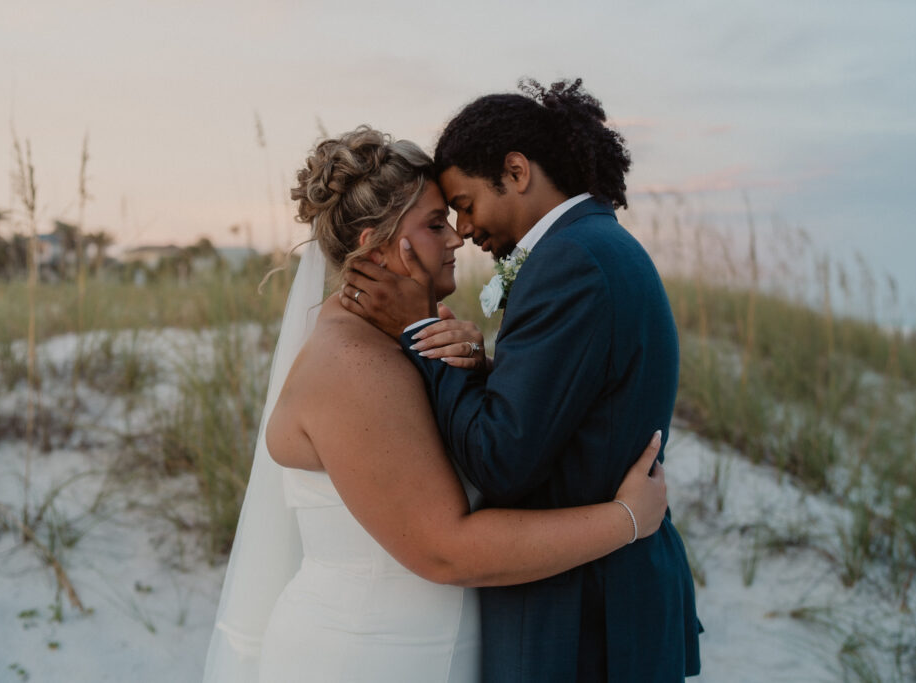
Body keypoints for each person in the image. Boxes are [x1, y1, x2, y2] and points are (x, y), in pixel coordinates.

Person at [202, 126, 670, 683]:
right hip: (369, 657)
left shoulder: (403, 341)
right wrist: (627, 520)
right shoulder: (352, 365)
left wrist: (474, 368)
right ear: (376, 247)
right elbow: (445, 550)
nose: (456, 239)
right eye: (433, 225)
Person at [343, 80, 703, 682]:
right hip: (608, 604)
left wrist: (423, 337)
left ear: (515, 171)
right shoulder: (595, 246)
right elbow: (569, 405)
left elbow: (500, 458)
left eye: (463, 202)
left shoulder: (569, 263)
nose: (462, 229)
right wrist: (483, 368)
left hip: (578, 620)